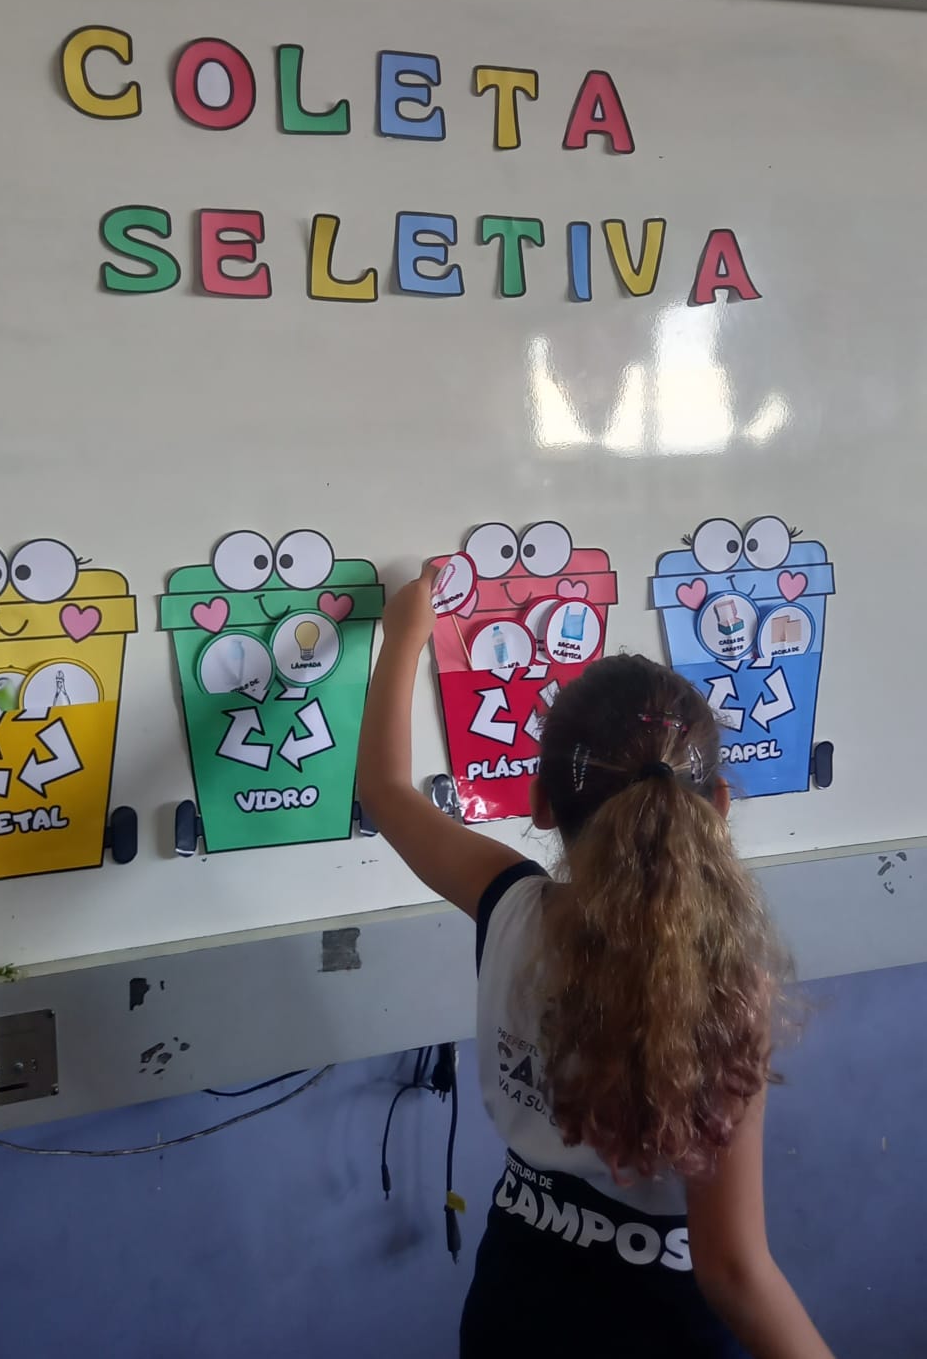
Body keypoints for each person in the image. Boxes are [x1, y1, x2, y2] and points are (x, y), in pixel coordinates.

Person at [356, 565, 835, 1359]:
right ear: (717, 804)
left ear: (541, 804)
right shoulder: (725, 983)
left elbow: (384, 789)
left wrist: (405, 633)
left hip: (516, 1308)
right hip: (665, 1332)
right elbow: (733, 1270)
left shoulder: (507, 905)